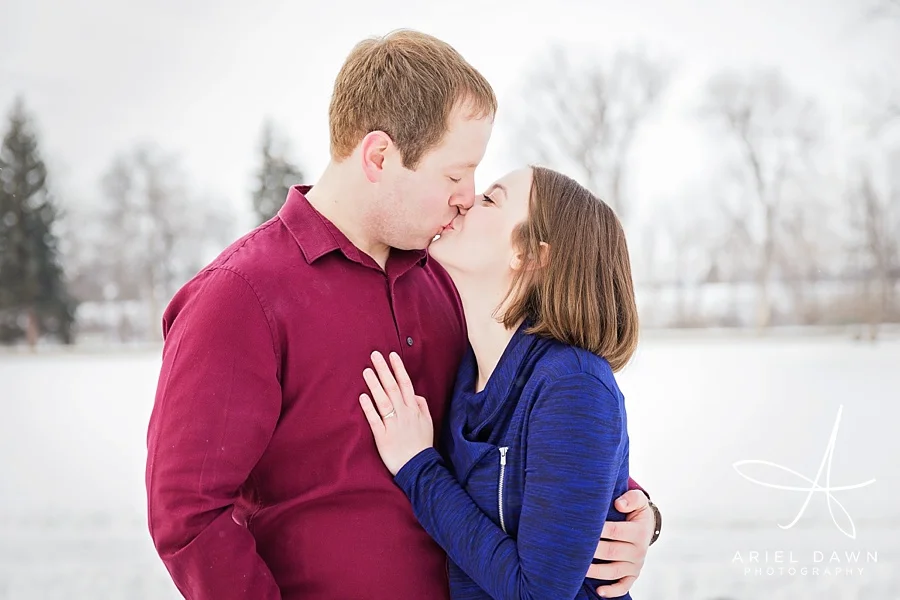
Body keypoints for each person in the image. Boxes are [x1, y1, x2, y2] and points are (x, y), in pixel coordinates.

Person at [145, 30, 659, 600]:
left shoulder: (449, 281)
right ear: (380, 156)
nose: (467, 196)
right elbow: (188, 517)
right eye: (454, 174)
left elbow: (526, 429)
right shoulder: (239, 296)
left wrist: (630, 513)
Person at [359, 166, 639, 599]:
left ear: (529, 254)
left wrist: (418, 468)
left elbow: (539, 594)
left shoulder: (574, 386)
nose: (467, 200)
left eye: (491, 199)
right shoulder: (467, 368)